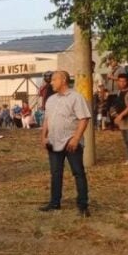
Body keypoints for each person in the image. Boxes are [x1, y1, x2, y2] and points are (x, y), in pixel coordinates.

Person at [40, 71, 91, 218]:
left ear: (63, 80)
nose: (51, 82)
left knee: (78, 173)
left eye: (54, 79)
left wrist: (76, 138)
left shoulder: (76, 97)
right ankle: (55, 202)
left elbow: (84, 119)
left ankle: (83, 205)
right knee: (56, 173)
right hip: (54, 141)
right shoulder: (50, 100)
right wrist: (43, 136)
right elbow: (47, 120)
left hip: (71, 142)